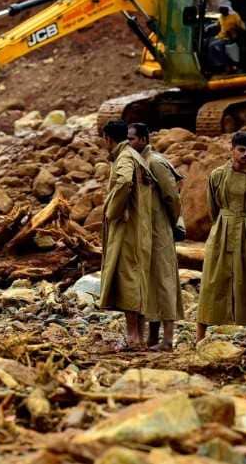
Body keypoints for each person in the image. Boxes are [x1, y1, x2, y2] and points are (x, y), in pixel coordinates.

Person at [198, 130, 246, 342]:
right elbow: (213, 208)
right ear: (231, 150)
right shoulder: (217, 175)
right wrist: (223, 224)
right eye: (241, 150)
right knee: (213, 280)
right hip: (222, 229)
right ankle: (200, 335)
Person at [98, 119, 155, 350]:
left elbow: (123, 182)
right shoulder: (135, 155)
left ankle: (132, 337)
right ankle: (138, 337)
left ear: (108, 139)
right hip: (138, 226)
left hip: (127, 228)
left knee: (127, 278)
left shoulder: (124, 158)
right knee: (136, 277)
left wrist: (112, 211)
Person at [128, 123, 185, 351]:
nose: (128, 143)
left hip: (160, 229)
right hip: (146, 231)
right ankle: (152, 337)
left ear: (142, 139)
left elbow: (173, 197)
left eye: (131, 139)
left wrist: (171, 224)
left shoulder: (156, 163)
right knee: (148, 283)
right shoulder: (138, 162)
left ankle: (168, 339)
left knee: (164, 280)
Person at [208, 2, 246, 69]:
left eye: (222, 9)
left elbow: (242, 27)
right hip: (220, 36)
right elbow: (218, 24)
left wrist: (234, 30)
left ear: (227, 8)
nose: (220, 10)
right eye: (220, 9)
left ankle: (223, 64)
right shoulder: (221, 16)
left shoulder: (234, 16)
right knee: (207, 42)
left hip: (229, 37)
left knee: (214, 46)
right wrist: (208, 27)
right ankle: (215, 63)